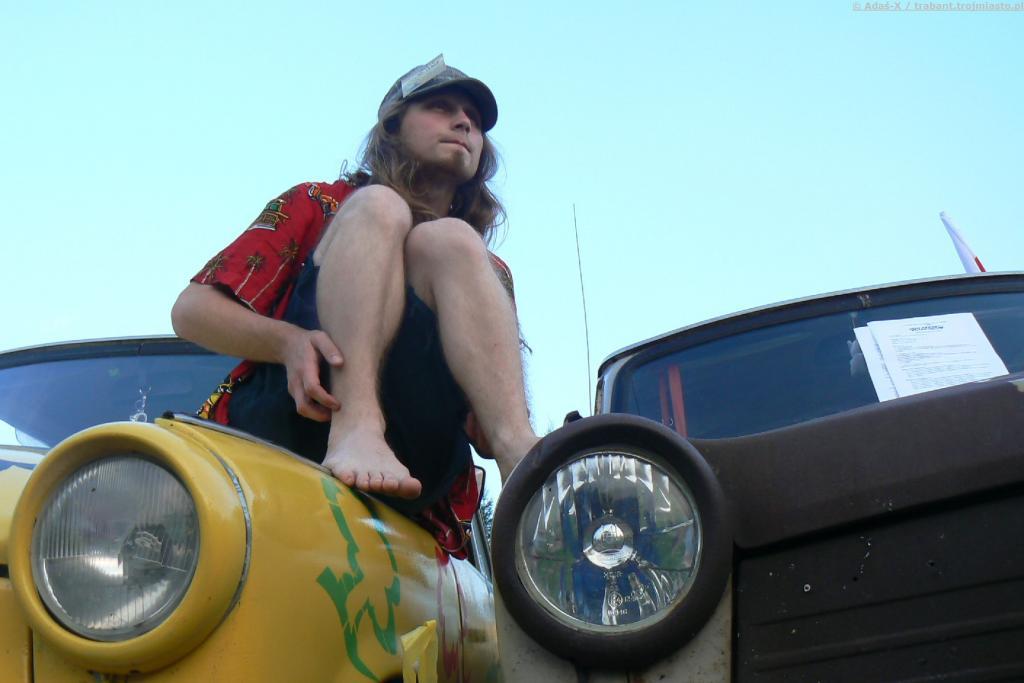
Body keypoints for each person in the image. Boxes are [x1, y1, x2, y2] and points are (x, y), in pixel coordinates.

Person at [171, 55, 538, 550]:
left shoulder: (486, 270)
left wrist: (499, 426)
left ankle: (528, 465)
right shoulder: (318, 201)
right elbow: (191, 311)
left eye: (473, 119)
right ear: (393, 126)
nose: (464, 123)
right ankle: (358, 425)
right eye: (440, 108)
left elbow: (484, 431)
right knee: (379, 205)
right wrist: (287, 342)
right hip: (295, 422)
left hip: (416, 467)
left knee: (451, 240)